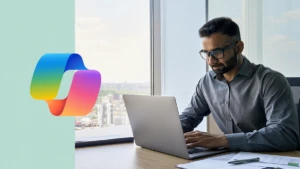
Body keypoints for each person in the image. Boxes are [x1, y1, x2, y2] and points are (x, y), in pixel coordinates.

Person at [179, 17, 300, 152]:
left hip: (271, 158)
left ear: (238, 47)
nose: (211, 61)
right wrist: (166, 131)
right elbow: (189, 117)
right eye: (206, 53)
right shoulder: (207, 82)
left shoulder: (270, 80)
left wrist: (222, 140)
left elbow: (285, 135)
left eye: (217, 52)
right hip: (229, 159)